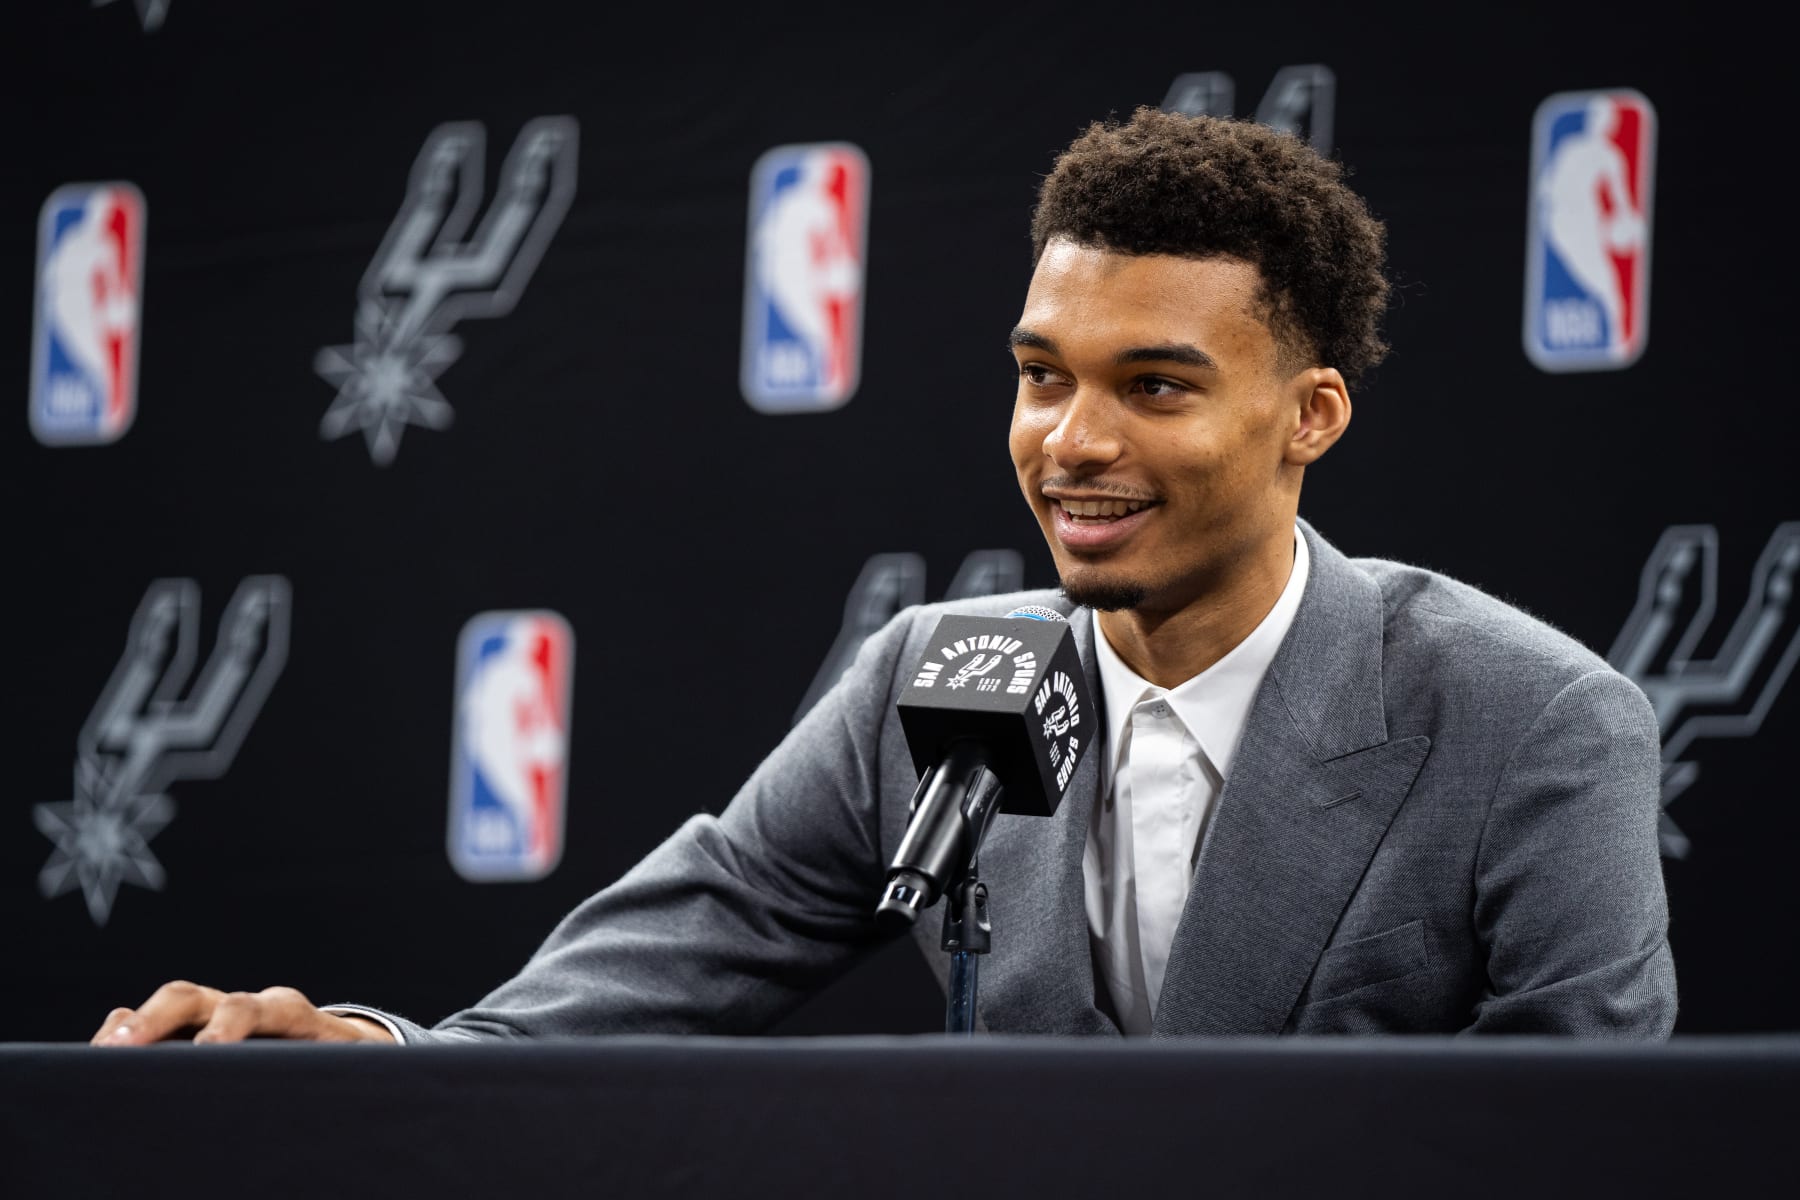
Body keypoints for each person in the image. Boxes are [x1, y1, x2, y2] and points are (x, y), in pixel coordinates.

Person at [91, 108, 1675, 1047]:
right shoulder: (939, 675)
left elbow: (1585, 1156)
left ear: (1310, 417)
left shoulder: (1533, 722)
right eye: (1042, 375)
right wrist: (352, 1049)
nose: (1072, 442)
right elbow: (633, 986)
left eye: (1156, 386)